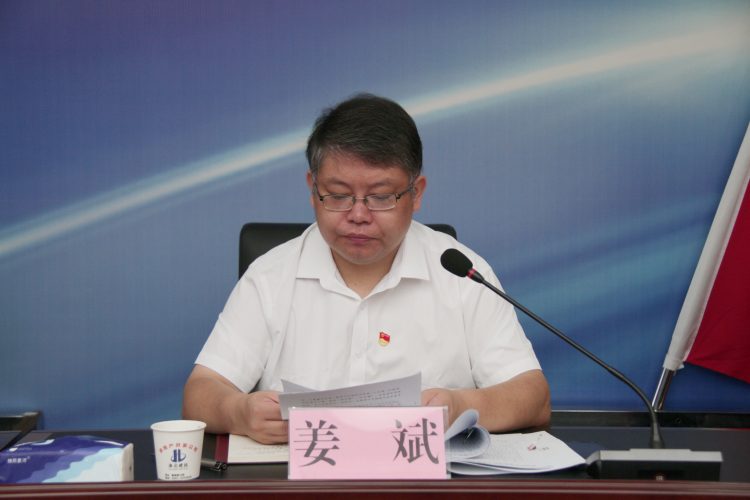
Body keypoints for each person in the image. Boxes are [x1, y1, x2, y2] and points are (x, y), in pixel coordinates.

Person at [183, 93, 550, 444]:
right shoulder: (269, 277)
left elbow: (533, 397)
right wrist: (238, 412)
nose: (358, 214)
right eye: (338, 195)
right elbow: (200, 392)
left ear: (416, 193)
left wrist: (460, 407)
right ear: (313, 189)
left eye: (381, 197)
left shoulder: (462, 274)